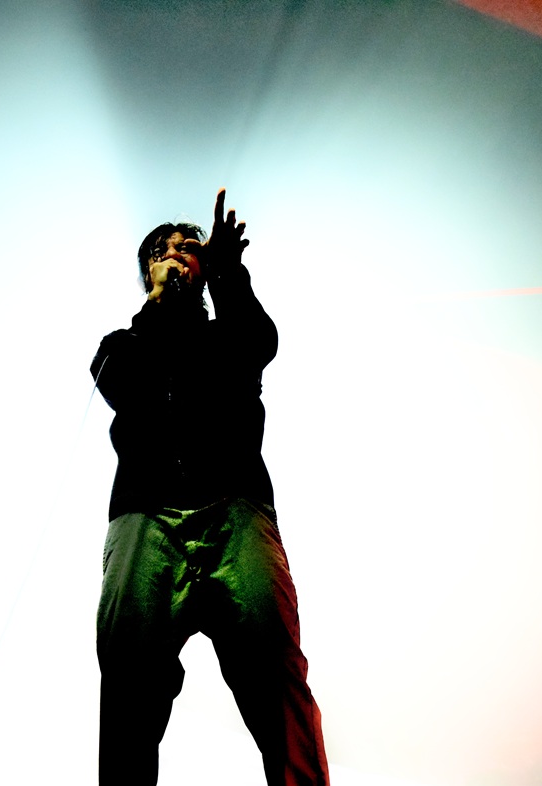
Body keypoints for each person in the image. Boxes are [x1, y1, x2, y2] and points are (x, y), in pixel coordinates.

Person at [90, 188, 330, 786]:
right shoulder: (122, 346)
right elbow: (120, 383)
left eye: (188, 247)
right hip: (145, 517)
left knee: (274, 674)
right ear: (148, 271)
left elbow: (259, 342)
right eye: (162, 250)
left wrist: (227, 273)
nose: (176, 252)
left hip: (236, 511)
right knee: (129, 686)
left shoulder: (229, 334)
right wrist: (158, 304)